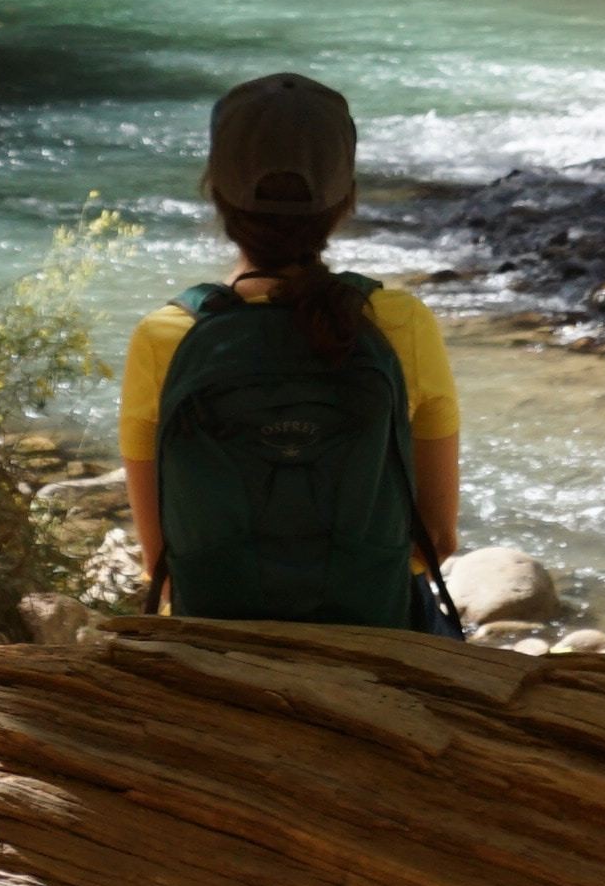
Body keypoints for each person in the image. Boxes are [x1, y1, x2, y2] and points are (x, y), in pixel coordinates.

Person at [121, 70, 462, 626]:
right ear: (345, 199)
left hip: (219, 636)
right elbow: (439, 539)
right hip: (372, 630)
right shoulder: (401, 323)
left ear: (216, 193)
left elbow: (160, 560)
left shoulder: (166, 336)